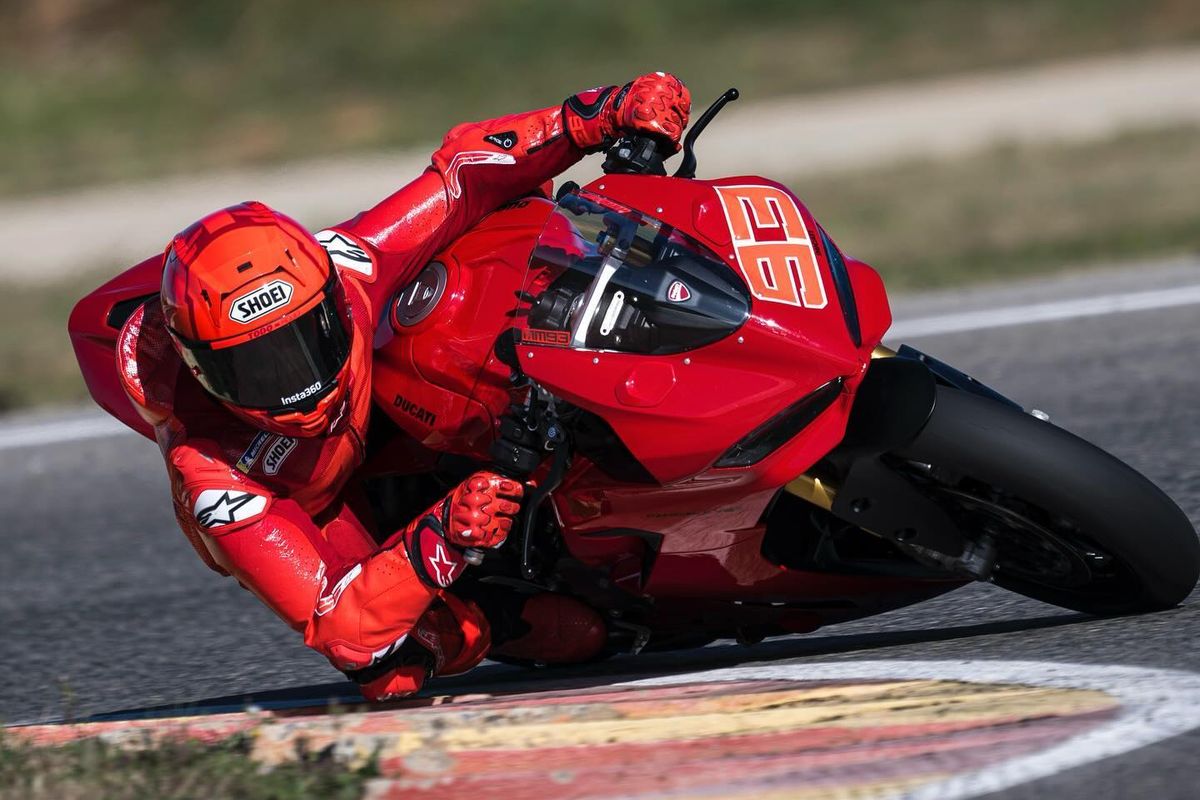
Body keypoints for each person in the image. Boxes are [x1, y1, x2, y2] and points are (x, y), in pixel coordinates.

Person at [116, 74, 691, 701]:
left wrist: (597, 115)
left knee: (493, 254)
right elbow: (340, 628)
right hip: (320, 500)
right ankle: (505, 606)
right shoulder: (213, 477)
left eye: (307, 343)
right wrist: (441, 537)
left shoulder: (348, 264)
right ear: (203, 373)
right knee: (400, 666)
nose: (298, 384)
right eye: (256, 370)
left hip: (380, 414)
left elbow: (460, 176)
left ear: (331, 297)